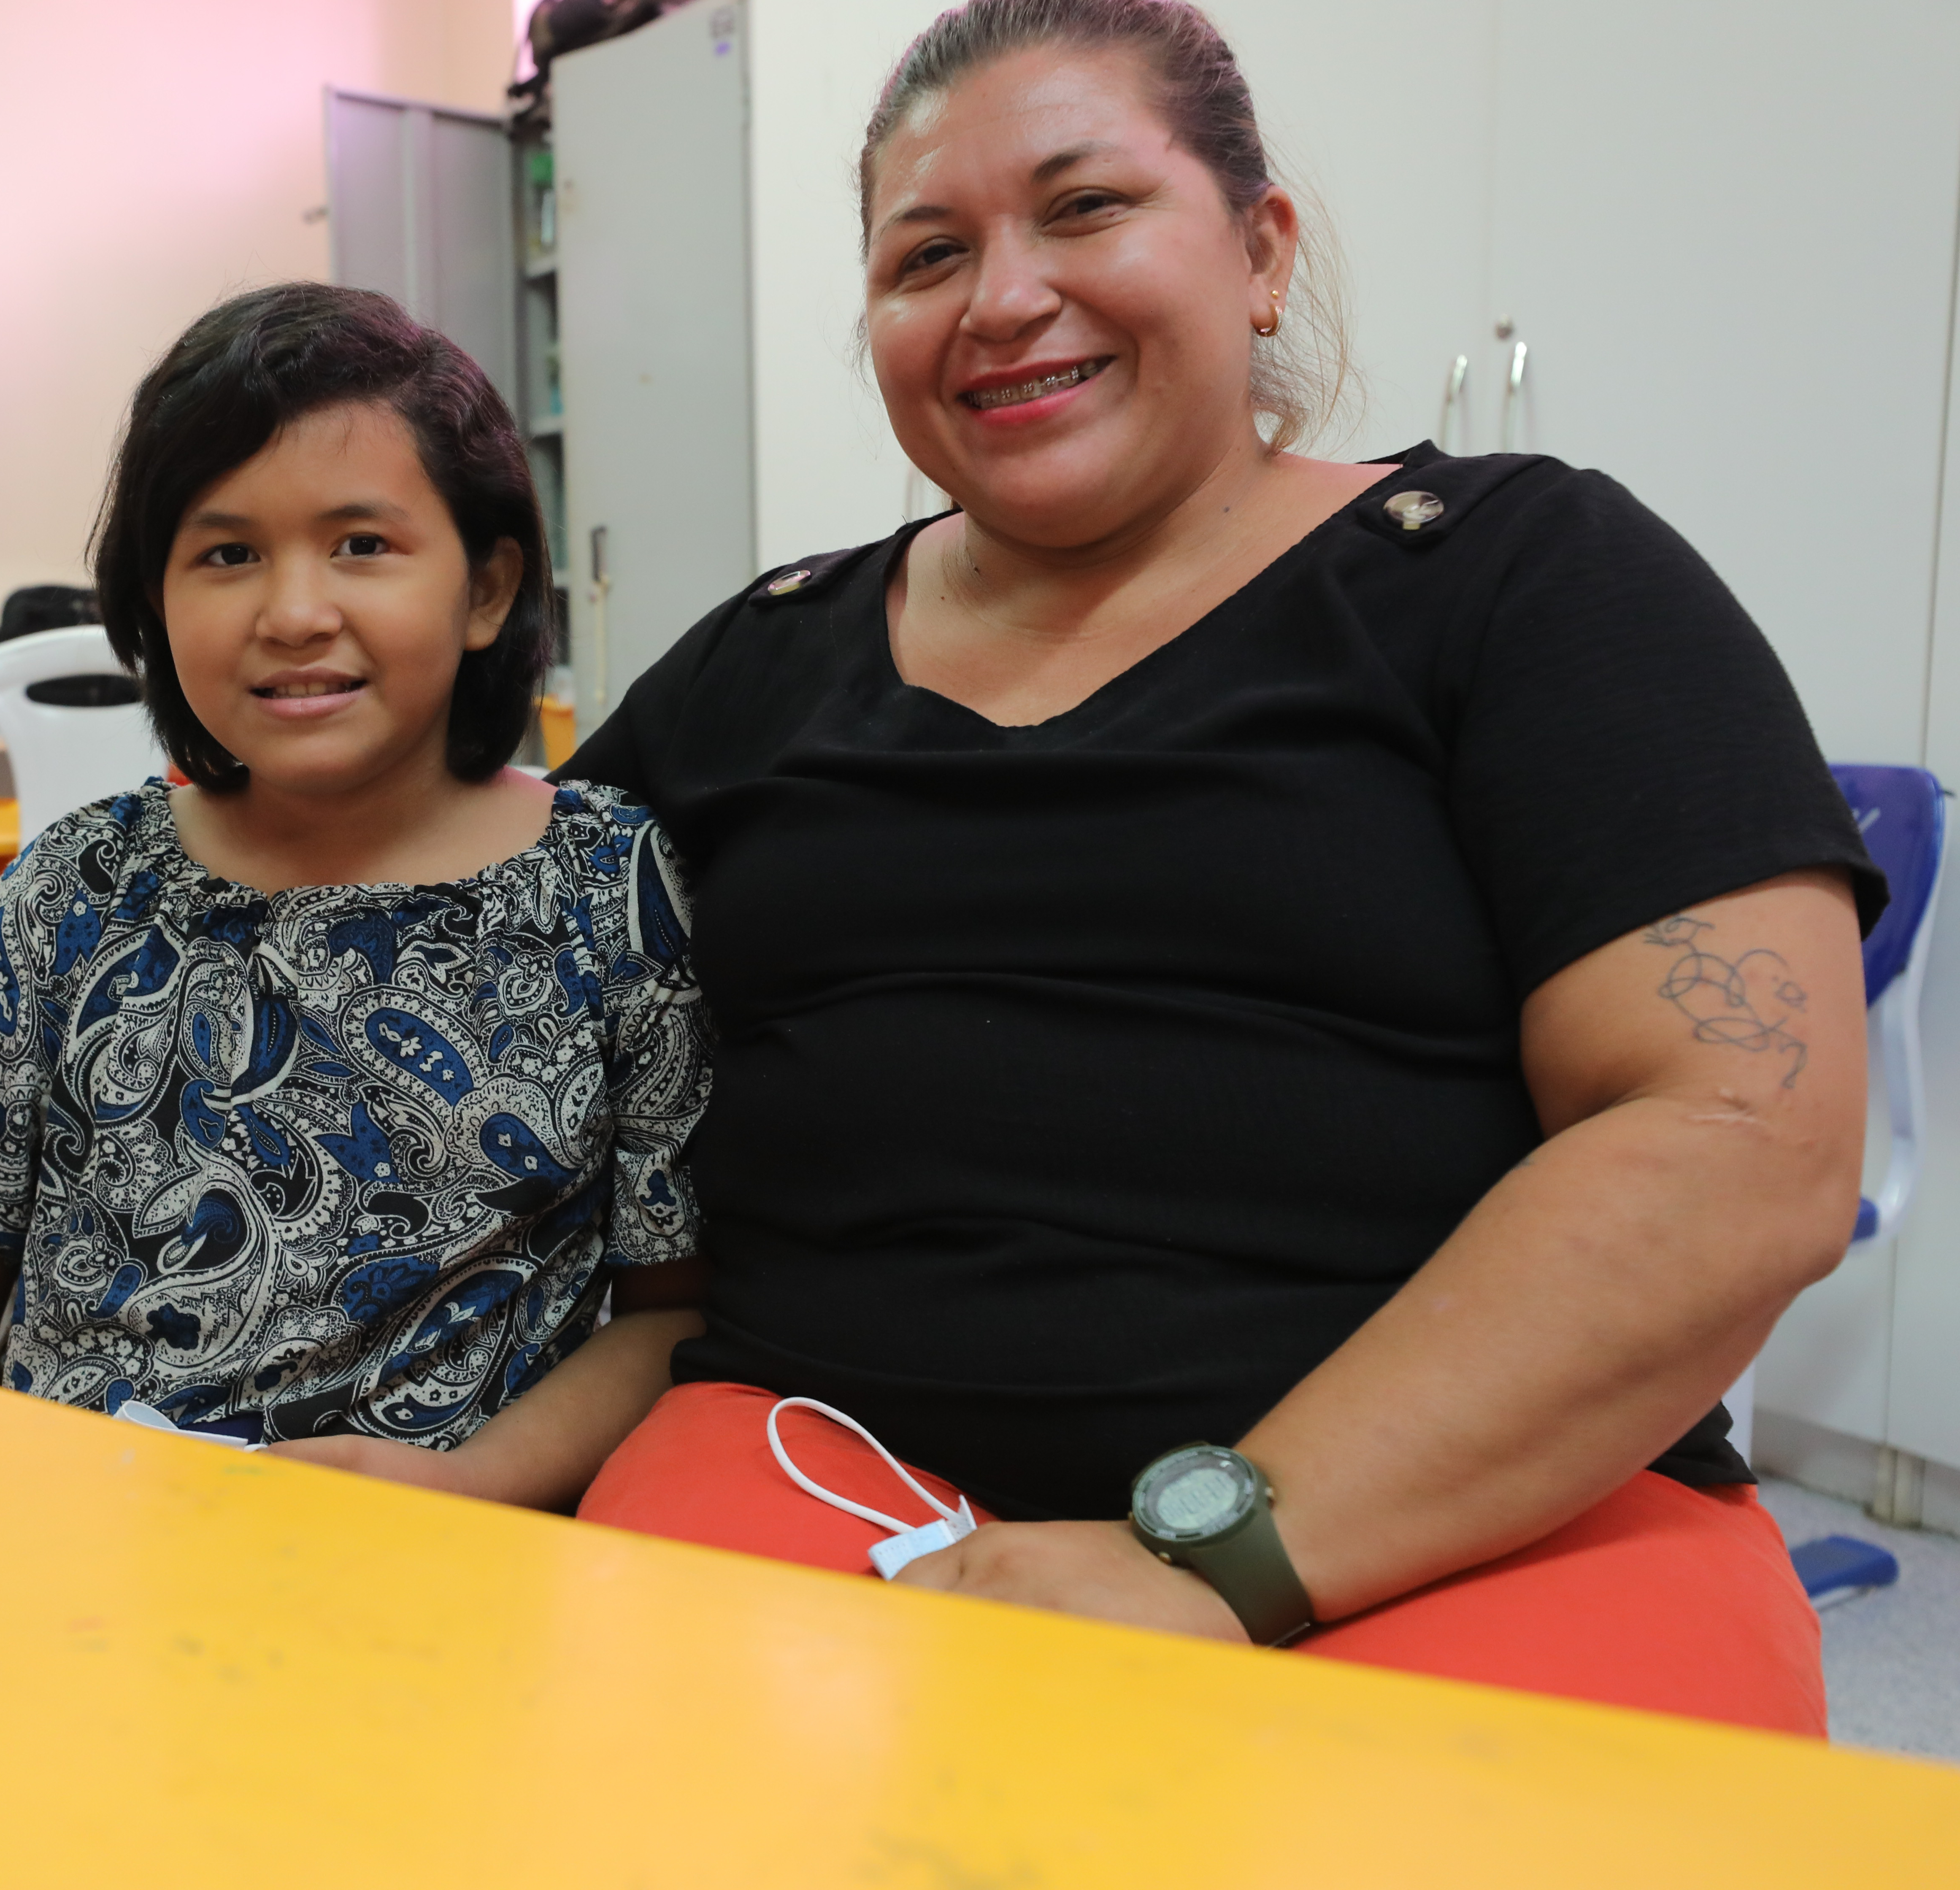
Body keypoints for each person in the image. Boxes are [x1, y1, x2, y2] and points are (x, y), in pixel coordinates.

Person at [559, 0, 1879, 1737]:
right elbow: (482, 1003)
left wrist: (1227, 1556)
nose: (1003, 295)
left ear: (1260, 253)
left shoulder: (1525, 581)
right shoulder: (758, 663)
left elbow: (1737, 1137)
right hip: (822, 1468)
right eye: (926, 253)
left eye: (1087, 208)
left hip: (1464, 1517)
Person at [0, 284, 713, 1501]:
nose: (295, 614)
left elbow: (673, 1311)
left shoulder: (610, 888)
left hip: (446, 1564)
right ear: (152, 601)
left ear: (489, 588)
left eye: (363, 545)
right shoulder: (78, 883)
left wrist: (476, 1489)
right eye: (227, 553)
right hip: (80, 1544)